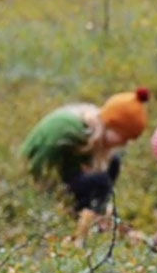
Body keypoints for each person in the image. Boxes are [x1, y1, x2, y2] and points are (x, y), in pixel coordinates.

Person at [21, 88, 150, 213]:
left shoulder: (92, 132)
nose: (124, 143)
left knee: (113, 163)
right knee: (101, 181)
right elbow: (37, 170)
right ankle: (90, 221)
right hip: (35, 181)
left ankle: (93, 216)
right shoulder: (67, 130)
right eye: (123, 137)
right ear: (111, 124)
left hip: (64, 174)